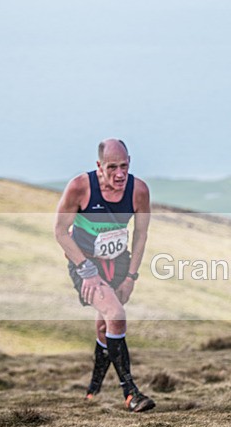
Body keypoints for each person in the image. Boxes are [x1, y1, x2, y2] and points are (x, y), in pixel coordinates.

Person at [54, 139, 155, 412]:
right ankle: (130, 393)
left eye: (124, 166)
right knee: (116, 316)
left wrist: (131, 276)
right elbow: (60, 232)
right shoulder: (80, 187)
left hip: (119, 264)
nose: (120, 174)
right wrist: (86, 271)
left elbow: (141, 234)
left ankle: (93, 390)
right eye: (112, 167)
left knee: (105, 326)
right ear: (99, 166)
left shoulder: (139, 191)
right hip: (85, 265)